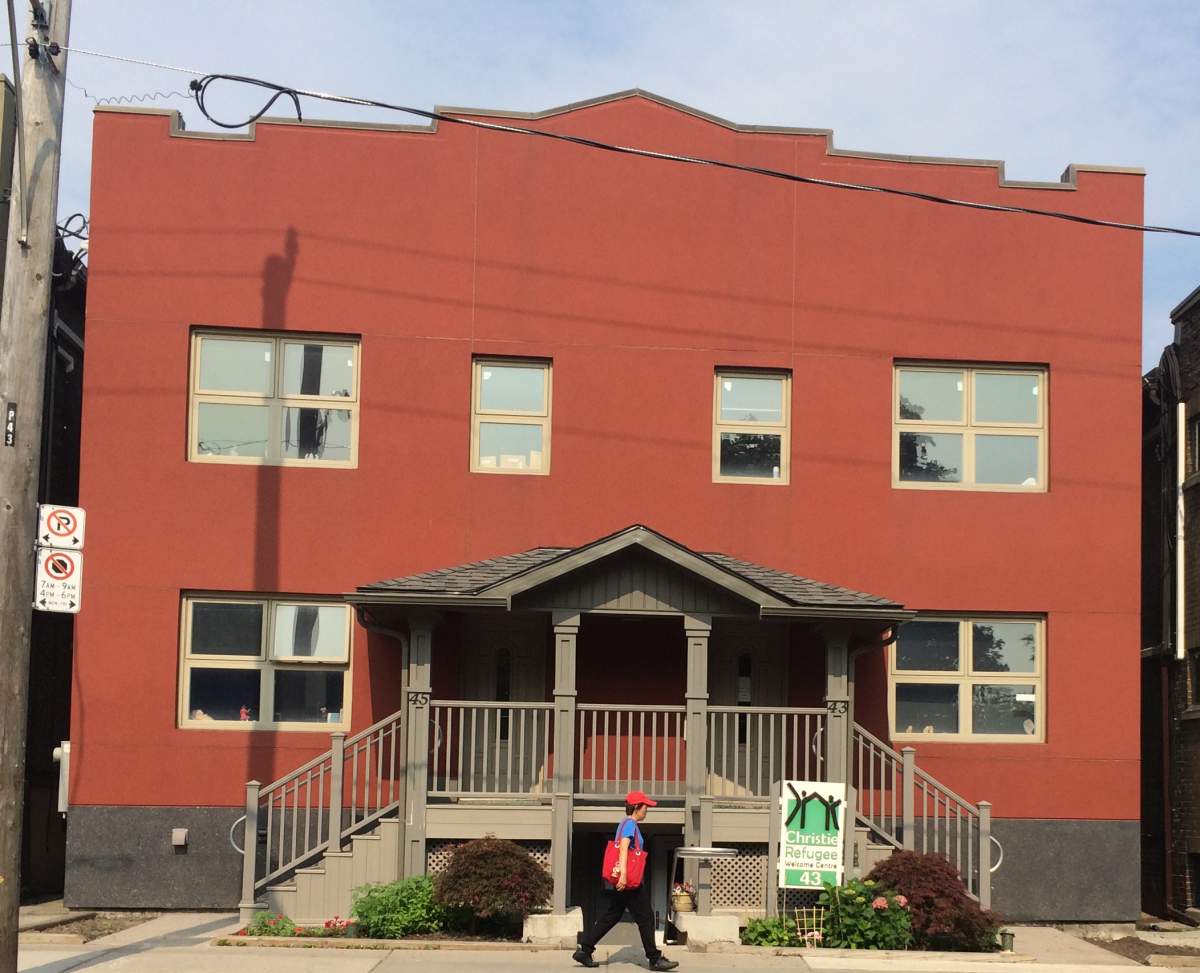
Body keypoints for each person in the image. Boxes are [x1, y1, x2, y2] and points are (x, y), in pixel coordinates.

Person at [572, 790, 679, 971]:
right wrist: (623, 875)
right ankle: (654, 959)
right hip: (629, 881)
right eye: (645, 807)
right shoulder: (630, 824)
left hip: (624, 880)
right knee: (646, 918)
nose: (647, 810)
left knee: (612, 915)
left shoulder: (625, 823)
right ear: (637, 807)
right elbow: (623, 848)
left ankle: (585, 949)